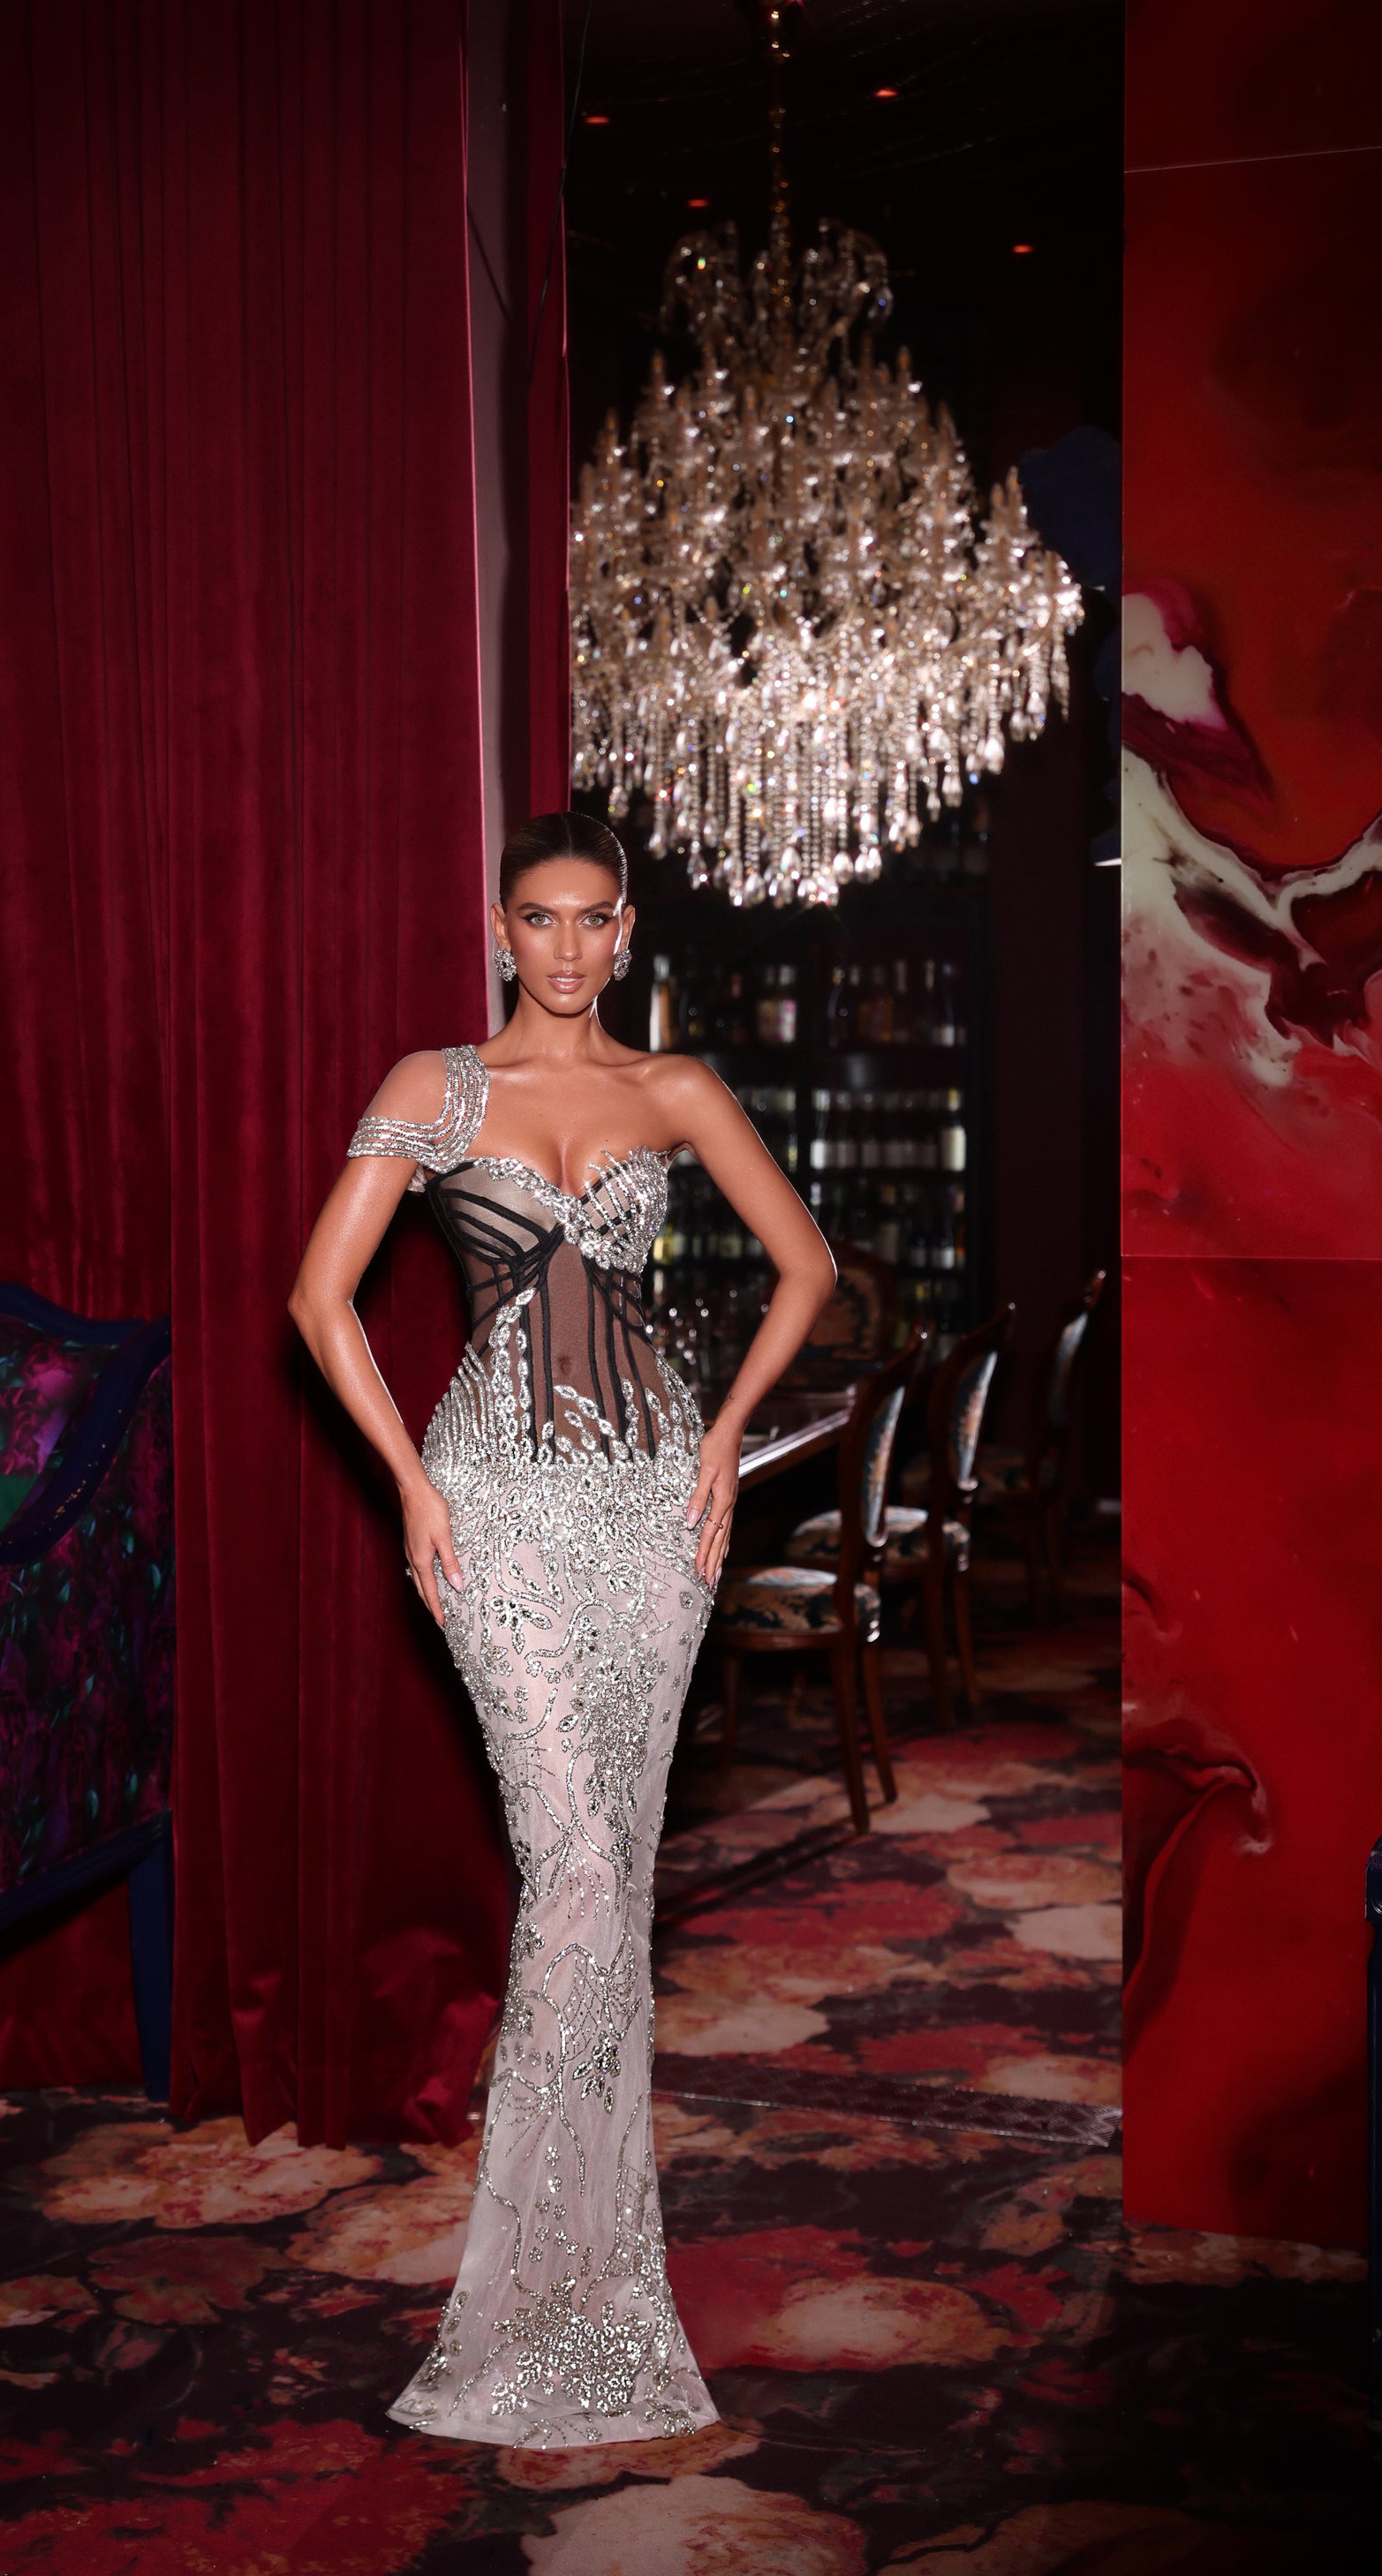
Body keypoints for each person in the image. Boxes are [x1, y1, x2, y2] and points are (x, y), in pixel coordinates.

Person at [289, 811, 835, 2447]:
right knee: (577, 1868)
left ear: (628, 929)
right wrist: (409, 1483)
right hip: (497, 1512)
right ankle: (528, 2303)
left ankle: (595, 2287)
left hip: (653, 1513)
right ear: (497, 927)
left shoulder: (675, 1089)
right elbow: (317, 1298)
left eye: (595, 919)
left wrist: (723, 1435)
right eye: (541, 918)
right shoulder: (434, 1085)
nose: (569, 947)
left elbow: (804, 1264)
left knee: (614, 1878)